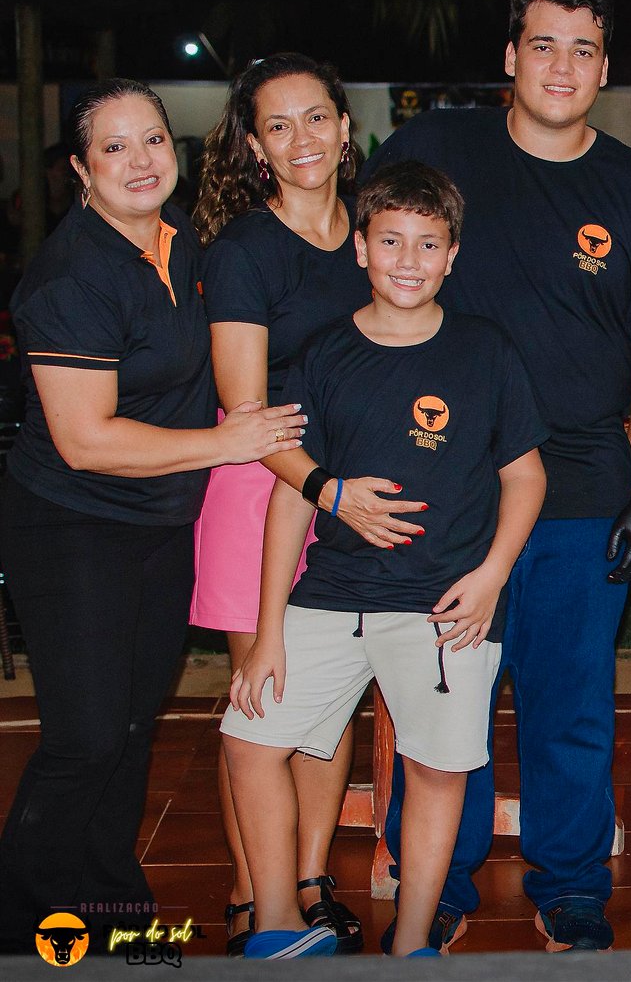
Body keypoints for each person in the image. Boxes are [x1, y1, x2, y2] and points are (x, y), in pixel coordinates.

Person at [362, 0, 631, 951]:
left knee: (570, 705)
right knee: (444, 704)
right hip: (447, 493)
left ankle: (571, 885)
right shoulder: (436, 147)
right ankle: (440, 880)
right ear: (511, 55)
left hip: (582, 492)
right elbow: (365, 266)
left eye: (583, 49)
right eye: (544, 44)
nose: (562, 66)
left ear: (604, 67)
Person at [0, 78, 304, 952]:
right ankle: (23, 924)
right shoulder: (71, 275)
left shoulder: (182, 243)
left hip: (160, 524)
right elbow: (85, 440)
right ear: (79, 170)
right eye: (114, 147)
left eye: (154, 140)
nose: (140, 161)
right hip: (74, 528)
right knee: (87, 739)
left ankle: (112, 913)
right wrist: (228, 441)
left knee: (134, 732)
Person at [222, 160, 547, 959]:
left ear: (452, 255)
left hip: (443, 605)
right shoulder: (325, 355)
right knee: (249, 739)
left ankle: (411, 940)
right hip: (329, 596)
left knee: (436, 768)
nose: (409, 260)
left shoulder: (486, 350)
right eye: (391, 241)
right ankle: (277, 923)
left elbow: (526, 476)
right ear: (361, 248)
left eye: (428, 244)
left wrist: (492, 577)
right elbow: (294, 495)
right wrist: (269, 630)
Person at [190, 52, 375, 957]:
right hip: (261, 487)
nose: (301, 138)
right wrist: (325, 485)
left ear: (345, 127)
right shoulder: (243, 251)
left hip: (350, 496)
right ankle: (248, 894)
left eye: (315, 117)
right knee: (263, 703)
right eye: (278, 125)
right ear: (256, 148)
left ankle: (307, 882)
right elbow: (247, 411)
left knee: (330, 707)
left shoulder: (376, 233)